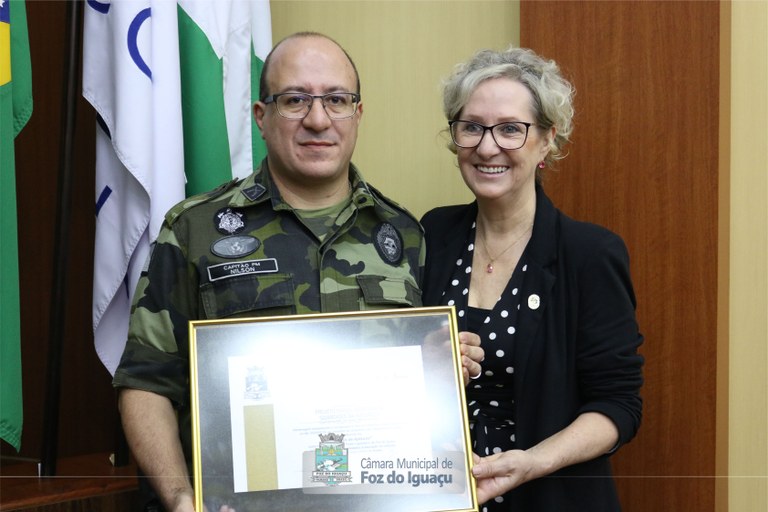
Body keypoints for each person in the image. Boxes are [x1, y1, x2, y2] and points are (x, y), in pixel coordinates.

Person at [112, 32, 483, 512]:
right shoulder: (193, 230)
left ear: (358, 114)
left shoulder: (404, 235)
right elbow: (146, 383)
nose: (318, 119)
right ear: (261, 116)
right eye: (294, 100)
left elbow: (416, 396)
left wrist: (442, 366)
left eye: (336, 100)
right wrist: (182, 498)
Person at [420, 46, 644, 512]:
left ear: (546, 140)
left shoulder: (589, 254)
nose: (487, 147)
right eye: (472, 127)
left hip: (549, 496)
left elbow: (618, 406)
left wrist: (534, 461)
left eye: (510, 129)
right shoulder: (432, 234)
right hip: (442, 495)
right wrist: (426, 362)